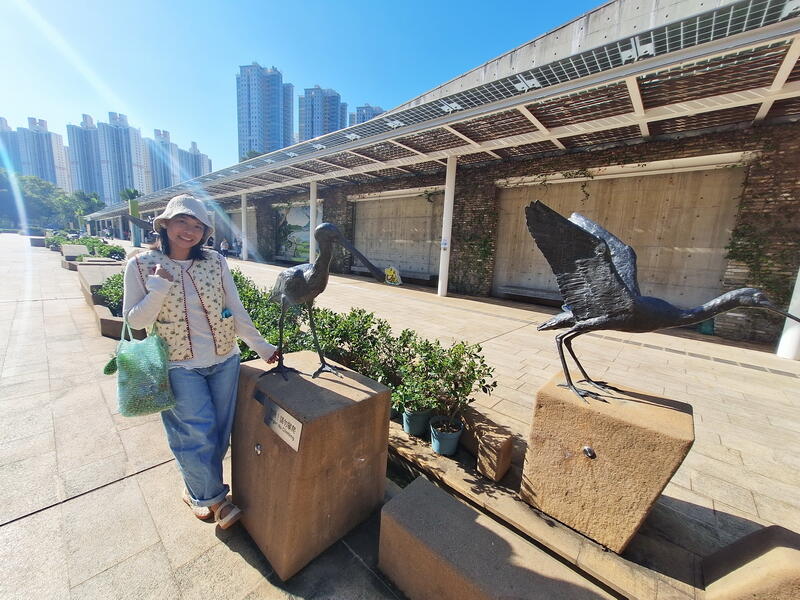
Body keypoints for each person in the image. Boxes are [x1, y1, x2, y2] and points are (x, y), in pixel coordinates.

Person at [122, 193, 278, 529]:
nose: (189, 231)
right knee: (195, 432)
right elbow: (135, 320)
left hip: (224, 360)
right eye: (182, 221)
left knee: (218, 433)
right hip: (177, 365)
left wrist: (262, 346)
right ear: (165, 225)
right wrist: (158, 288)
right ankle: (215, 501)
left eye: (197, 226)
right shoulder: (140, 265)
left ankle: (195, 489)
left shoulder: (215, 262)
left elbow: (234, 307)